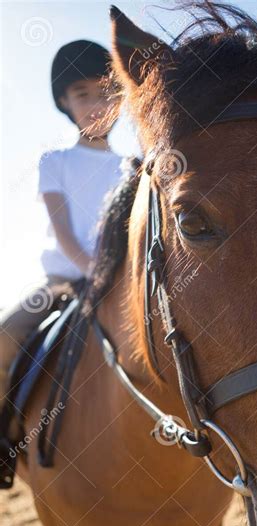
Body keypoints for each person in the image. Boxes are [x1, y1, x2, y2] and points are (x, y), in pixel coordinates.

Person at [0, 39, 123, 410]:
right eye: (82, 95)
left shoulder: (134, 166)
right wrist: (94, 273)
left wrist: (113, 279)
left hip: (120, 284)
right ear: (65, 102)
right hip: (64, 286)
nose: (95, 105)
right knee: (5, 336)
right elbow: (65, 233)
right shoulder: (55, 161)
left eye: (104, 93)